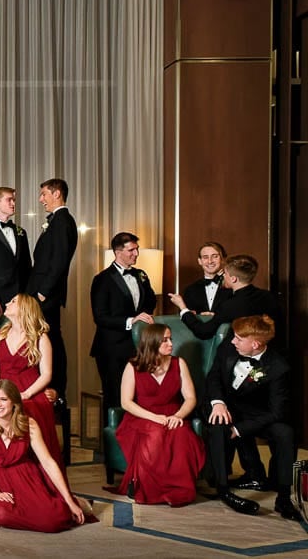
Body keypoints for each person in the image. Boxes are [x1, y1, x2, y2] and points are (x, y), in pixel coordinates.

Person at [205, 315, 300, 521]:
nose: (232, 341)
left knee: (286, 432)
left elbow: (277, 412)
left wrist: (239, 430)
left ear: (255, 344)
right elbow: (213, 376)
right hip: (227, 407)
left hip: (258, 415)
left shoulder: (278, 367)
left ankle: (283, 497)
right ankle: (223, 489)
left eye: (239, 338)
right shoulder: (228, 347)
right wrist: (218, 402)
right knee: (217, 424)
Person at [0, 380, 87, 532]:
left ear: (14, 402)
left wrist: (69, 499)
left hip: (26, 478)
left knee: (53, 521)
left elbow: (48, 462)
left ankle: (75, 502)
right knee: (0, 514)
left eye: (3, 399)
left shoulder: (29, 423)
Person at [114, 324, 204, 506]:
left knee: (181, 436)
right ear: (152, 342)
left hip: (173, 415)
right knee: (155, 433)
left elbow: (190, 398)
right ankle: (141, 485)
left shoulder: (179, 364)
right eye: (165, 340)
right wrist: (154, 418)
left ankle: (177, 489)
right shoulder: (133, 366)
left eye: (170, 338)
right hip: (141, 417)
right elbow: (126, 403)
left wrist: (179, 416)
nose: (171, 343)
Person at [90, 232, 157, 419]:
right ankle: (113, 442)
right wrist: (131, 321)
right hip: (111, 348)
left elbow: (150, 302)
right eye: (131, 250)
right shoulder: (102, 279)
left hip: (138, 346)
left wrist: (143, 319)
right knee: (115, 397)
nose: (136, 254)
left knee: (139, 395)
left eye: (137, 249)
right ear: (118, 252)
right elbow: (100, 317)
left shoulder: (141, 275)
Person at [26, 178, 78, 407]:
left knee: (51, 340)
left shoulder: (63, 221)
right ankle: (49, 386)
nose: (41, 199)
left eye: (44, 194)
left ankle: (56, 390)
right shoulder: (57, 221)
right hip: (42, 294)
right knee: (47, 339)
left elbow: (59, 260)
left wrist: (43, 292)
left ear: (57, 194)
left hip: (46, 296)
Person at [0, 294, 63, 468]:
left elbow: (46, 374)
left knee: (29, 413)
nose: (7, 302)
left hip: (30, 391)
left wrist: (26, 393)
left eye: (13, 301)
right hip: (4, 391)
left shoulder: (40, 338)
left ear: (24, 308)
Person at [170, 254, 282, 339]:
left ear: (233, 278)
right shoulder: (268, 296)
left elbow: (203, 332)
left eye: (225, 274)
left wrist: (183, 308)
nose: (223, 276)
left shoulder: (230, 305)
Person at [179, 242, 232, 314]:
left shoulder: (234, 286)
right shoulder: (190, 290)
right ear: (199, 261)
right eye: (205, 257)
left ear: (223, 259)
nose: (210, 261)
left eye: (215, 256)